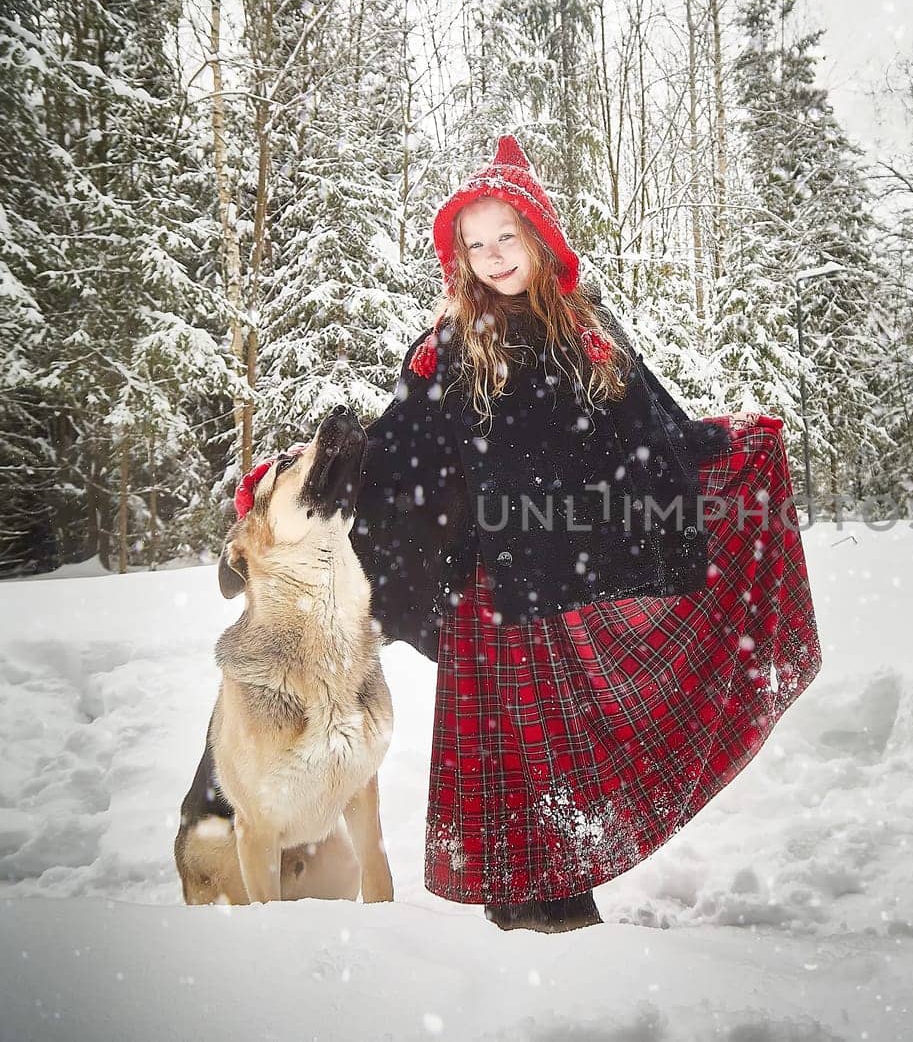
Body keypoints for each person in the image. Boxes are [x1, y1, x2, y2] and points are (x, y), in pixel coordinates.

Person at [349, 134, 822, 933]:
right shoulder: (448, 349)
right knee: (507, 760)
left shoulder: (585, 332)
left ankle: (562, 921)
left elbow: (653, 435)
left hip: (559, 578)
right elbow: (392, 453)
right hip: (487, 588)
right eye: (477, 243)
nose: (495, 256)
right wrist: (320, 470)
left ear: (538, 236)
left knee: (560, 759)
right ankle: (525, 925)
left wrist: (730, 444)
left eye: (507, 237)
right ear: (459, 255)